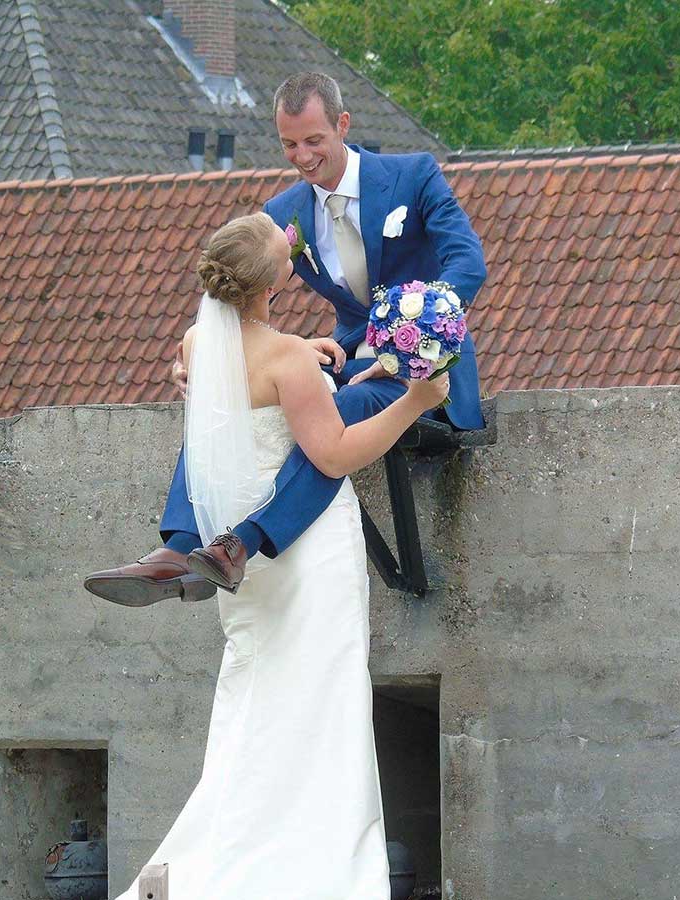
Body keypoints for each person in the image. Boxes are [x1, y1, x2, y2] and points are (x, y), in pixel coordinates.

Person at [113, 213, 448, 900]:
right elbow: (335, 455)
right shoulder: (288, 358)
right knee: (320, 697)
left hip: (242, 545)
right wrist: (415, 401)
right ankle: (311, 868)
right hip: (308, 549)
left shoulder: (199, 342)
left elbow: (246, 405)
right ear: (278, 279)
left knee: (253, 696)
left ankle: (178, 546)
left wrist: (317, 360)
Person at [84, 71, 487, 604]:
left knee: (345, 404)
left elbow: (467, 263)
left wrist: (408, 342)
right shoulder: (282, 215)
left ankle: (239, 544)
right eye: (289, 145)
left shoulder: (413, 176)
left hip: (423, 372)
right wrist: (204, 357)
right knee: (232, 394)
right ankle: (180, 548)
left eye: (314, 140)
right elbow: (237, 288)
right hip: (347, 358)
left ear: (343, 125)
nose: (302, 157)